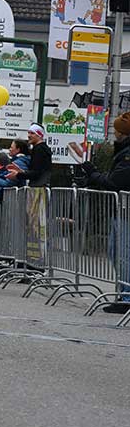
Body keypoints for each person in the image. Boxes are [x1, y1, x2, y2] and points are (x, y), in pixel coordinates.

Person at [82, 111, 130, 314]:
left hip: (127, 211)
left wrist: (93, 173)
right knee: (115, 252)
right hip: (121, 211)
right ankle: (123, 293)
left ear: (122, 132)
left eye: (116, 129)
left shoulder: (127, 155)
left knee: (123, 254)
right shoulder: (122, 151)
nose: (114, 133)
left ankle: (127, 296)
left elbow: (115, 182)